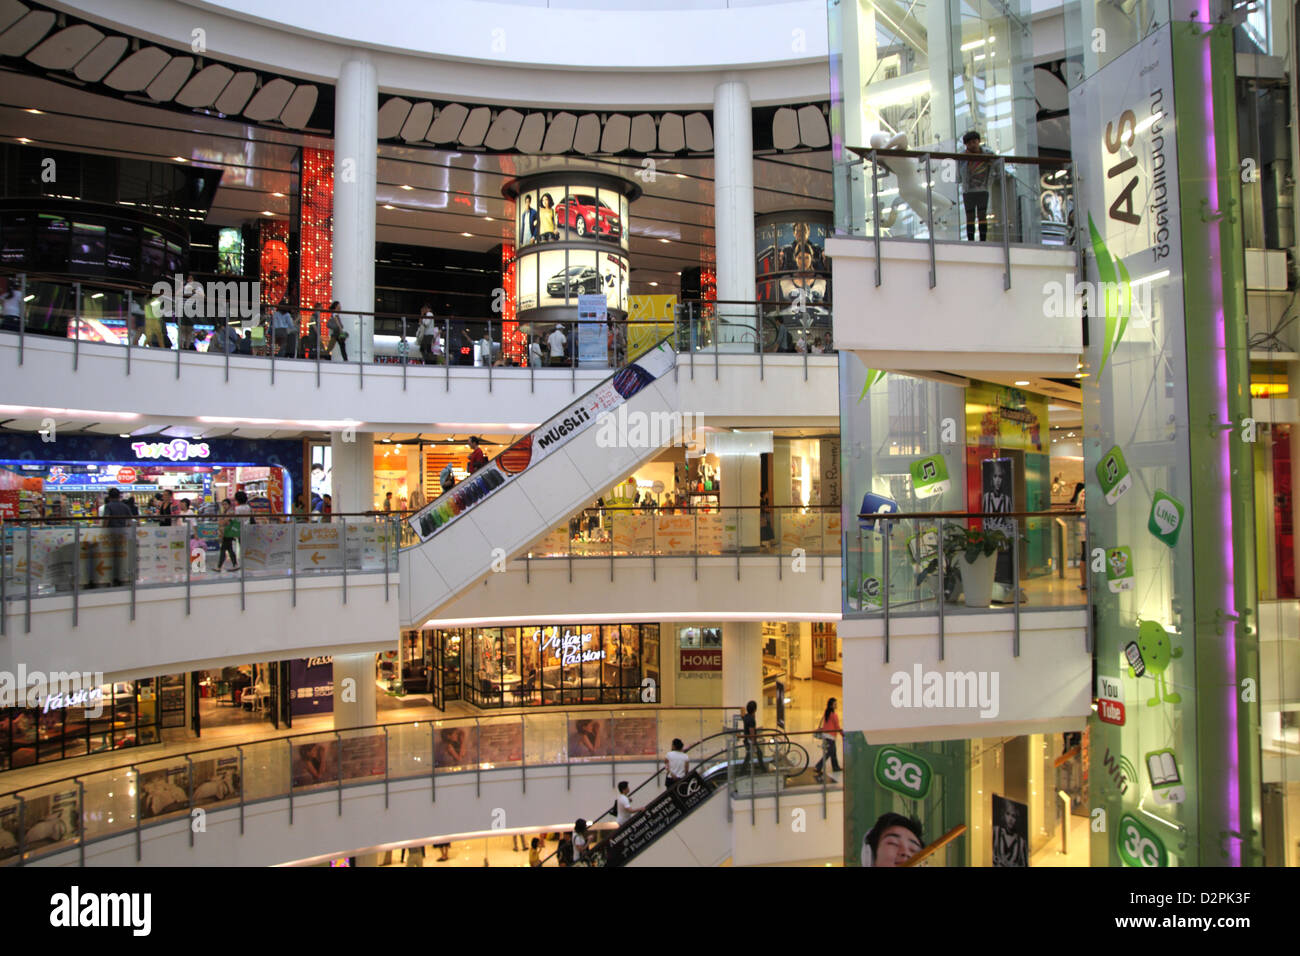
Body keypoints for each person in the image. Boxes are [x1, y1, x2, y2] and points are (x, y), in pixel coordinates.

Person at [960, 130, 994, 242]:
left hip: (983, 189)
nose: (973, 145)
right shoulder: (961, 157)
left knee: (982, 215)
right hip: (968, 191)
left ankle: (983, 240)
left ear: (978, 141)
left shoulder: (988, 154)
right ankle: (970, 241)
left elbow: (997, 166)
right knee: (970, 216)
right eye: (969, 143)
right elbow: (958, 175)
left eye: (974, 142)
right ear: (966, 145)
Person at [101, 487, 134, 587]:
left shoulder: (108, 506)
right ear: (119, 496)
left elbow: (106, 520)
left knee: (112, 556)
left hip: (111, 534)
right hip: (122, 535)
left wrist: (103, 530)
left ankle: (114, 577)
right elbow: (130, 520)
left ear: (109, 497)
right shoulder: (125, 506)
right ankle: (123, 577)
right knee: (122, 556)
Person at [813, 697, 842, 782]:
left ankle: (836, 767)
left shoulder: (827, 713)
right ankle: (818, 766)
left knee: (833, 752)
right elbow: (837, 726)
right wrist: (842, 734)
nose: (836, 705)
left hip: (826, 735)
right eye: (835, 704)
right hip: (830, 736)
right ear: (832, 705)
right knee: (830, 752)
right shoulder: (834, 715)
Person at [216, 492, 247, 571]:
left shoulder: (235, 510)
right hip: (241, 530)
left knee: (225, 548)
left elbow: (226, 520)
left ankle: (220, 566)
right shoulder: (248, 507)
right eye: (223, 504)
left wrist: (222, 522)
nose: (224, 506)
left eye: (225, 504)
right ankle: (235, 564)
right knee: (229, 548)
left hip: (232, 531)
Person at [741, 699, 766, 773]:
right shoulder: (751, 720)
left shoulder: (746, 716)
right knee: (758, 753)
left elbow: (742, 714)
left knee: (749, 756)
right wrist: (754, 743)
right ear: (755, 709)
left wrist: (742, 709)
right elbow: (752, 733)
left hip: (746, 740)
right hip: (750, 742)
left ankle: (742, 771)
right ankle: (763, 770)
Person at [1070, 482, 1087, 590]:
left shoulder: (1082, 492)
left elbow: (1077, 509)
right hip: (1094, 525)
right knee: (1095, 551)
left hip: (1083, 524)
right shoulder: (1096, 491)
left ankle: (1084, 582)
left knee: (1084, 553)